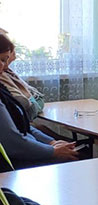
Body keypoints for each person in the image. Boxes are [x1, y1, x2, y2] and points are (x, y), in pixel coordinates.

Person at [0, 35, 78, 169]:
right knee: (77, 158)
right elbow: (14, 143)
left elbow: (22, 124)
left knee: (74, 153)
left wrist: (52, 143)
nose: (6, 66)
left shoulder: (2, 88)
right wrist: (53, 152)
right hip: (13, 164)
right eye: (2, 60)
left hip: (24, 153)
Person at [0, 36, 44, 121]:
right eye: (3, 59)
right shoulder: (3, 76)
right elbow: (28, 108)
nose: (15, 57)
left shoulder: (8, 72)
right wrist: (33, 101)